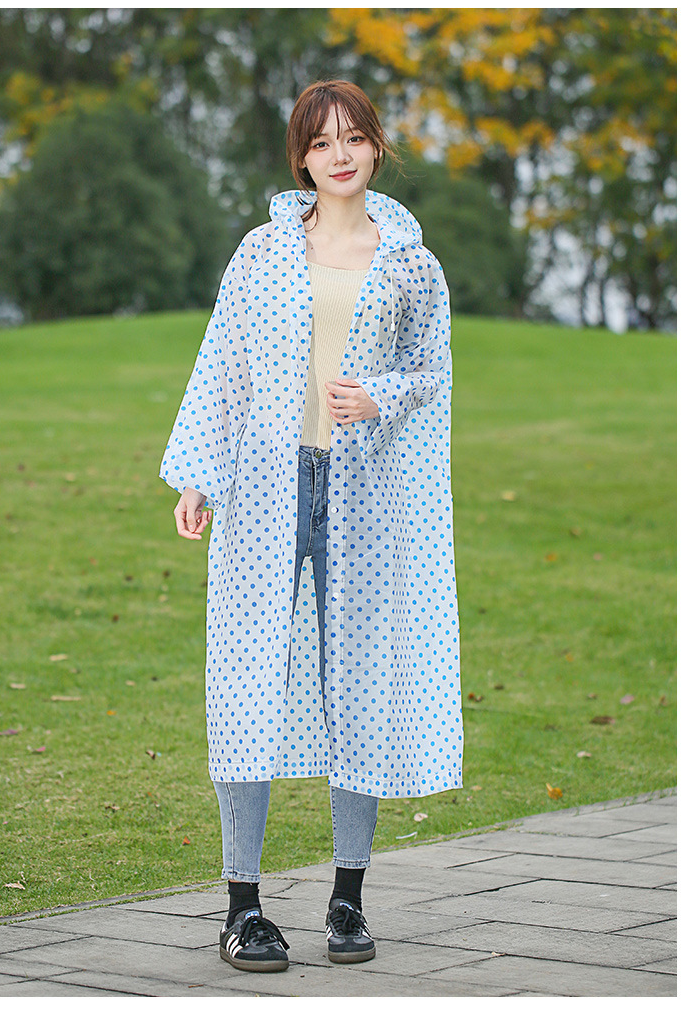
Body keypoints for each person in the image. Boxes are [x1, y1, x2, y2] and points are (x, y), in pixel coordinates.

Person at [159, 79, 462, 974]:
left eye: (354, 138)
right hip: (263, 484)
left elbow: (432, 372)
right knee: (246, 676)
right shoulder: (260, 252)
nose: (340, 154)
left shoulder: (412, 263)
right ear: (301, 157)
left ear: (376, 148)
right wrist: (199, 476)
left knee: (361, 678)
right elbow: (225, 364)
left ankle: (347, 899)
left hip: (366, 491)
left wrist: (383, 394)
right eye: (322, 141)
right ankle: (243, 908)